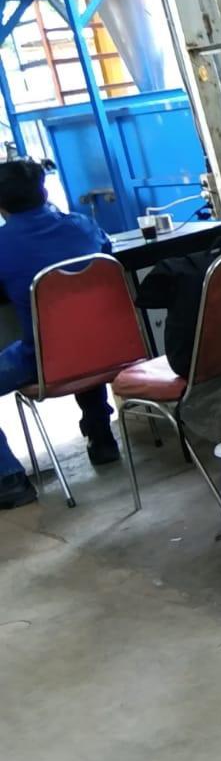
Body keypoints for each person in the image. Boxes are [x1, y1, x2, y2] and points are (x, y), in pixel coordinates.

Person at [0, 160, 122, 510]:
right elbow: (106, 254)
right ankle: (101, 436)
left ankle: (8, 479)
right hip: (108, 349)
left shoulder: (3, 244)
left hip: (46, 360)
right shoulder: (83, 225)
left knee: (55, 344)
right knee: (77, 337)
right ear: (43, 191)